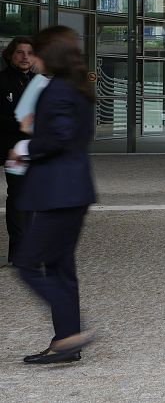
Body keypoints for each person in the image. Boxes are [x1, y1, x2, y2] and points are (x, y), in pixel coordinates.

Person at [10, 26, 97, 364]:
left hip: (56, 192)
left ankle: (73, 333)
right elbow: (71, 133)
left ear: (50, 56)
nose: (31, 59)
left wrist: (26, 147)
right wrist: (36, 128)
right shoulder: (78, 88)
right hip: (72, 190)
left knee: (28, 264)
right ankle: (65, 342)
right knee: (60, 268)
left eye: (36, 53)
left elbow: (59, 138)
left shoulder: (57, 90)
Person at [0, 36, 35, 267]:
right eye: (19, 52)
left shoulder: (38, 81)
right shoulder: (1, 81)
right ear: (10, 55)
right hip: (12, 148)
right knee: (18, 197)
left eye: (28, 53)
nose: (24, 57)